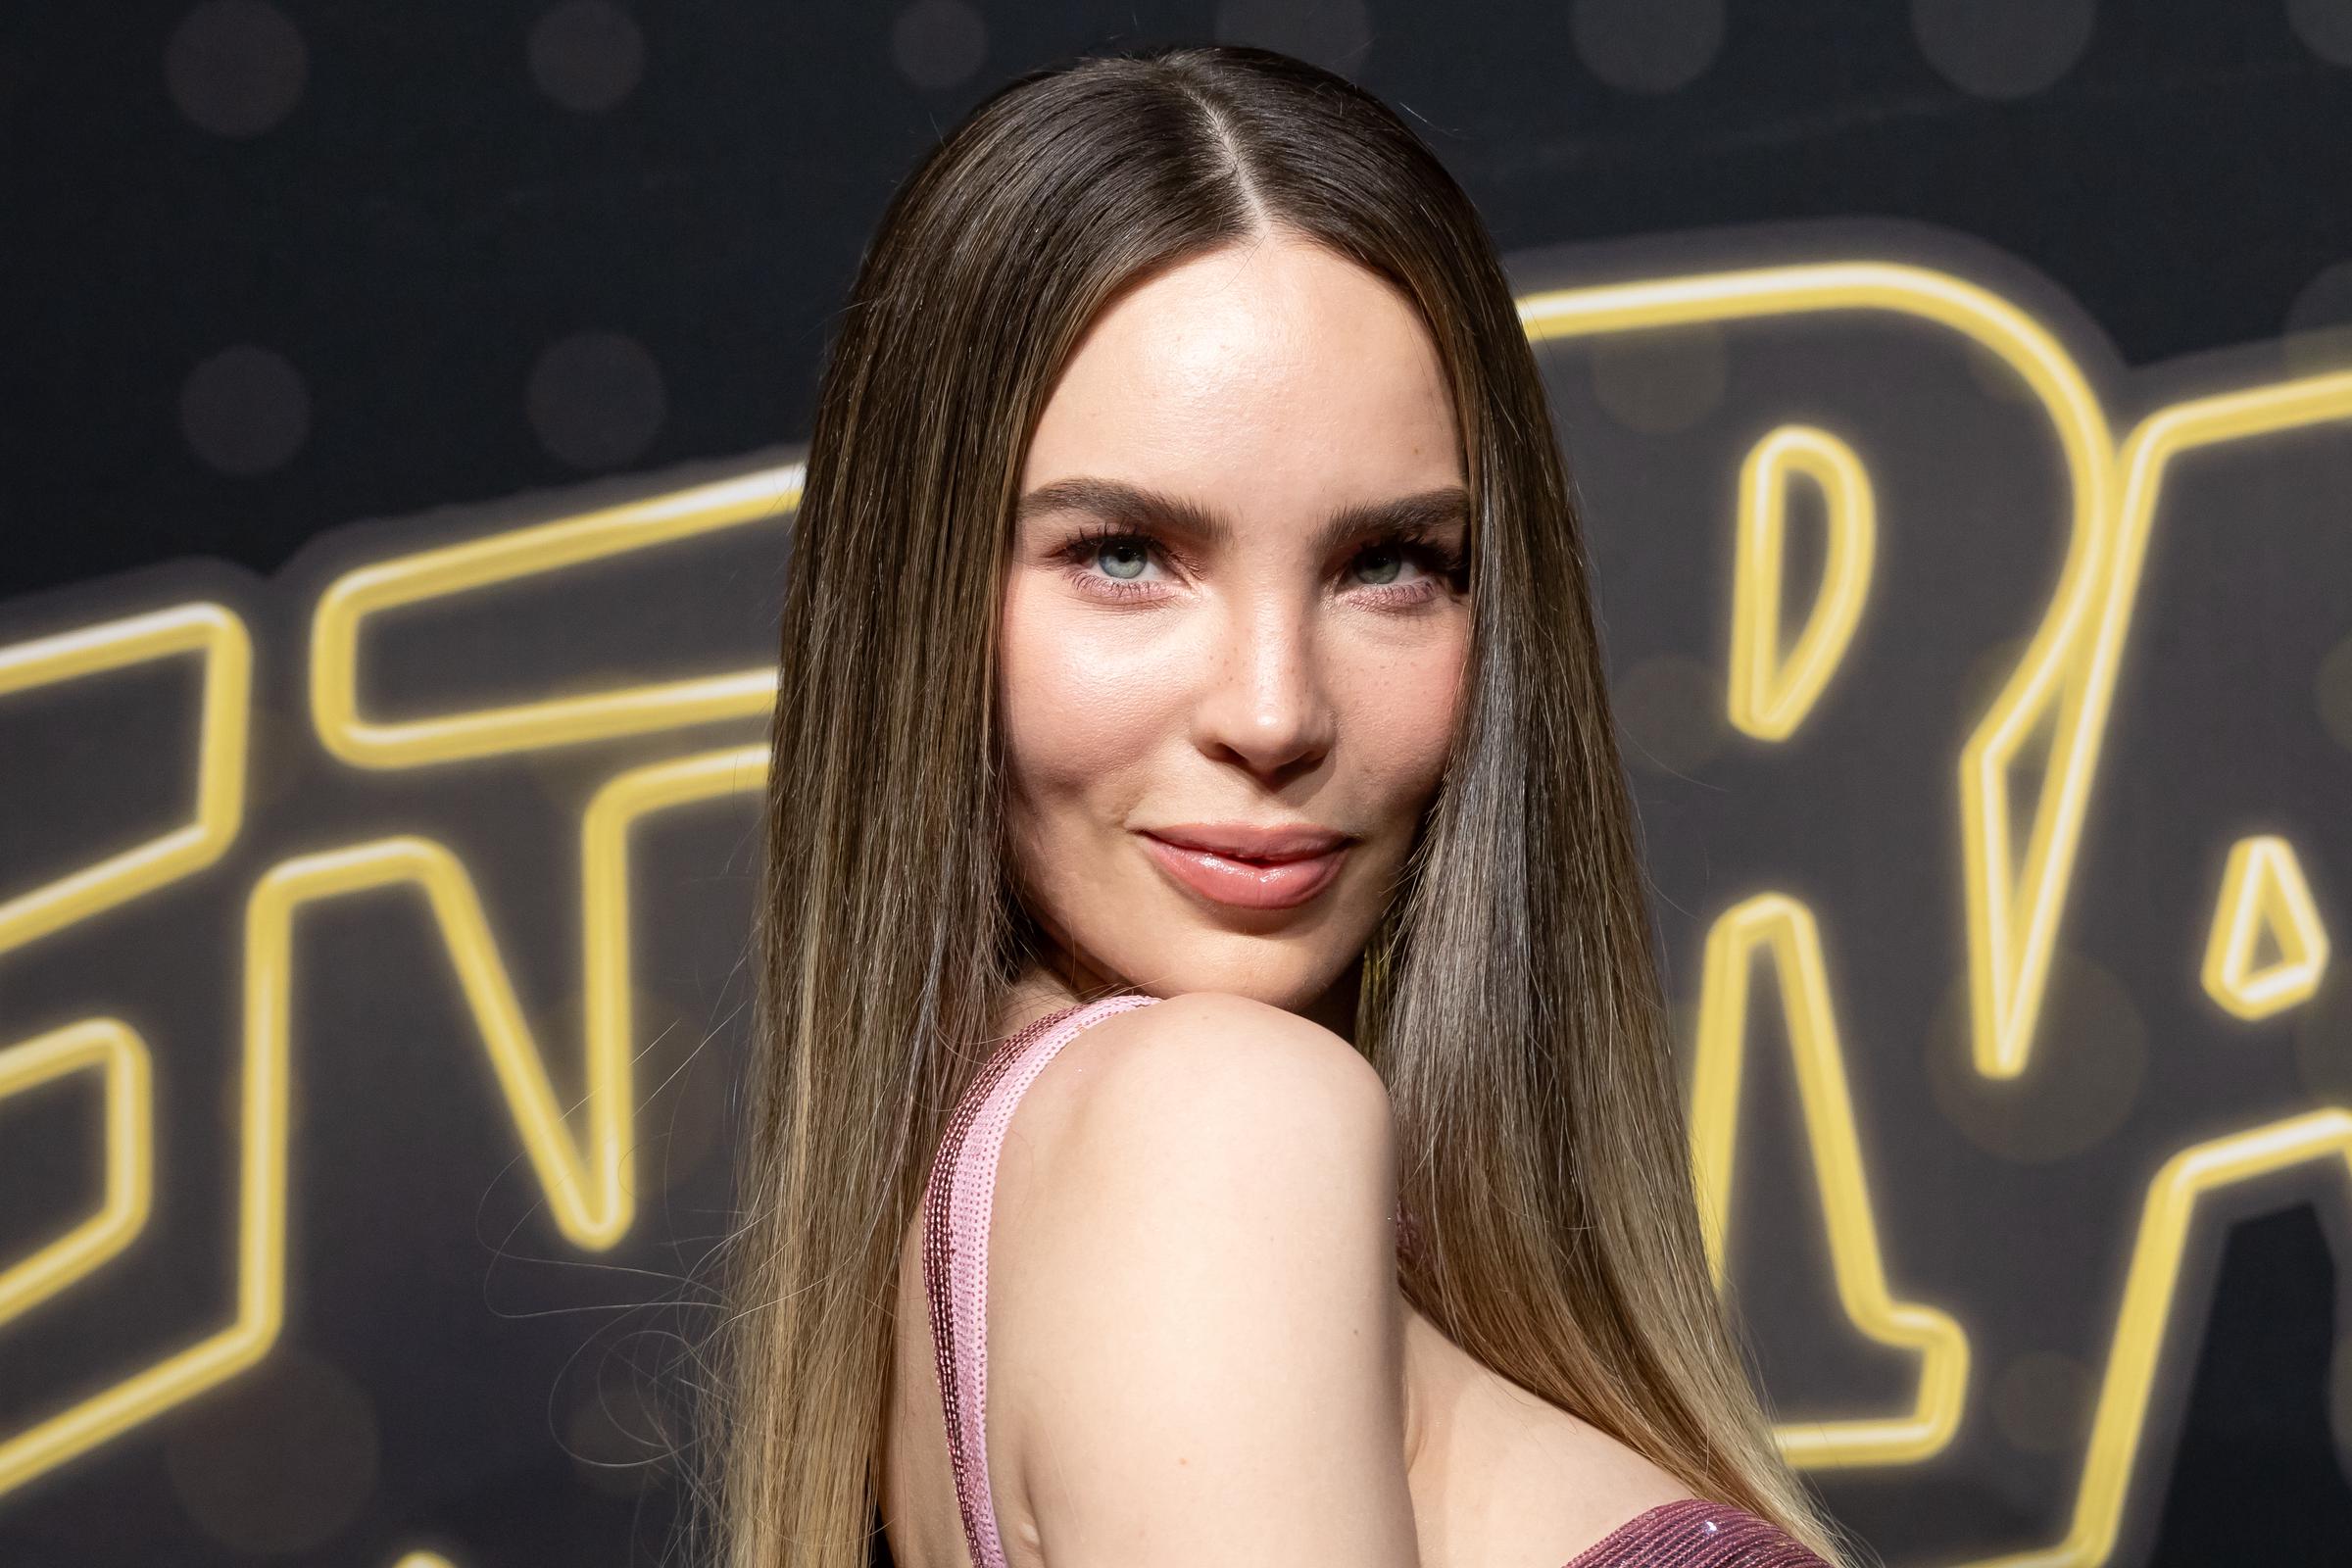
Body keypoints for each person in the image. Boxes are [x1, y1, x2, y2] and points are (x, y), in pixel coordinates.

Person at [689, 40, 1865, 1568]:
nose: (1272, 711)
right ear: (920, 602)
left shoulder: (1009, 1195)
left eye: (1391, 564)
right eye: (1123, 553)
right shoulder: (1215, 1128)